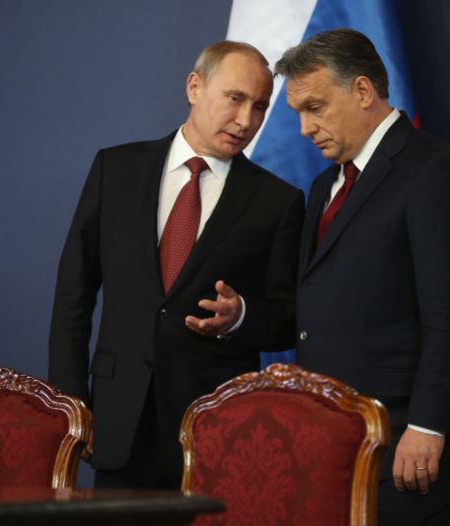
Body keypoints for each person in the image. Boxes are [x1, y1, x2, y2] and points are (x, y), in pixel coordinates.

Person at [49, 41, 304, 489]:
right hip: (116, 421)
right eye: (235, 98)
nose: (247, 120)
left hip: (214, 430)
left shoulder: (278, 202)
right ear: (194, 86)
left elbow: (288, 318)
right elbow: (74, 294)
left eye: (260, 106)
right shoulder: (116, 169)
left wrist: (240, 315)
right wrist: (71, 403)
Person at [276, 29, 450, 525]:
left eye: (315, 107)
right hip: (343, 442)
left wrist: (427, 425)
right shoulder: (323, 186)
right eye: (298, 113)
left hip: (409, 443)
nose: (304, 129)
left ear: (361, 91)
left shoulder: (433, 171)